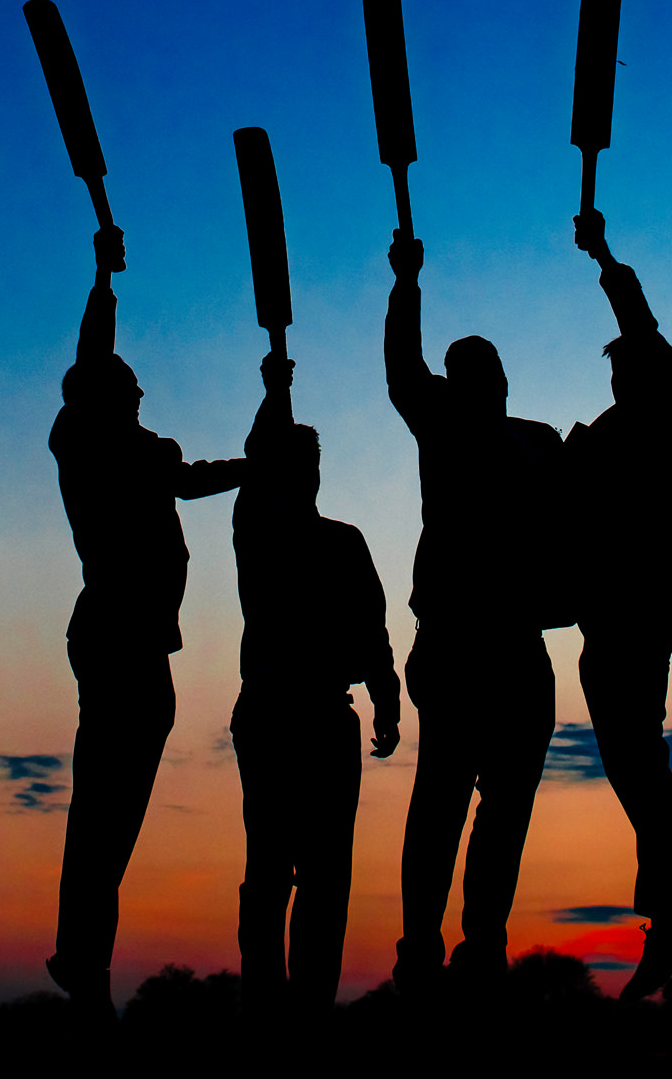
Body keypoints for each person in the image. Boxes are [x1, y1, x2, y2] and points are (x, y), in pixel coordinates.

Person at [47, 226, 247, 1021]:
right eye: (128, 390)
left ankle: (86, 958)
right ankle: (82, 959)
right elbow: (96, 359)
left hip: (134, 643)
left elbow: (189, 477)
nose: (139, 398)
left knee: (113, 813)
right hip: (115, 636)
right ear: (103, 395)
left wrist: (250, 465)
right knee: (103, 809)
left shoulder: (131, 446)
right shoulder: (94, 440)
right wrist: (101, 278)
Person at [383, 232, 567, 999]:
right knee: (443, 797)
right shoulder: (444, 426)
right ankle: (423, 940)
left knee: (506, 804)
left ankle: (482, 936)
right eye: (462, 371)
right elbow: (402, 367)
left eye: (481, 369)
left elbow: (578, 521)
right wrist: (406, 284)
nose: (472, 380)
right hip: (458, 641)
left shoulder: (540, 441)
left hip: (518, 643)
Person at [566, 208, 672, 1002]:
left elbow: (644, 325)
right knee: (637, 757)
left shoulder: (663, 412)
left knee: (634, 755)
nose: (615, 375)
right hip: (614, 607)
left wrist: (607, 258)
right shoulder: (617, 425)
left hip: (635, 605)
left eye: (624, 366)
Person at [230, 350, 400, 1031]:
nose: (309, 473)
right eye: (299, 463)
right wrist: (274, 392)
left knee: (315, 874)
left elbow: (373, 631)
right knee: (281, 868)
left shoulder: (335, 540)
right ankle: (276, 1009)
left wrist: (386, 697)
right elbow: (260, 449)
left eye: (313, 463)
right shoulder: (262, 529)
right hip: (279, 711)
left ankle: (299, 1014)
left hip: (317, 714)